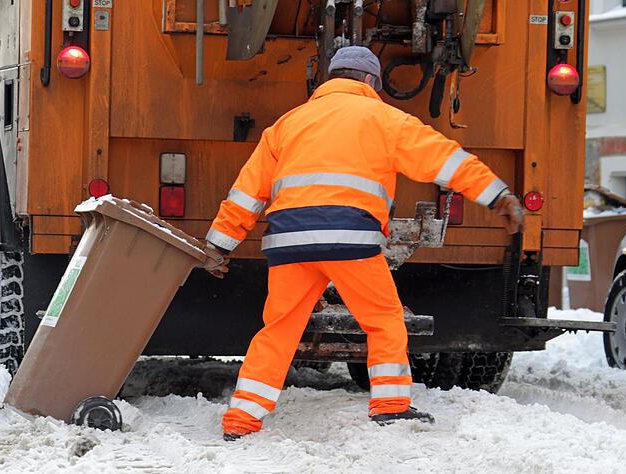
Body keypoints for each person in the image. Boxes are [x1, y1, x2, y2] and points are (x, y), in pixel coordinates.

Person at [201, 46, 524, 440]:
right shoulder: (385, 119)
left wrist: (220, 246)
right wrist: (497, 195)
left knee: (278, 332)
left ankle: (241, 420)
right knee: (384, 320)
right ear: (370, 82)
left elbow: (246, 192)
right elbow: (447, 160)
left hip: (289, 245)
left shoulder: (287, 124)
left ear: (331, 79)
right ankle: (390, 406)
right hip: (351, 241)